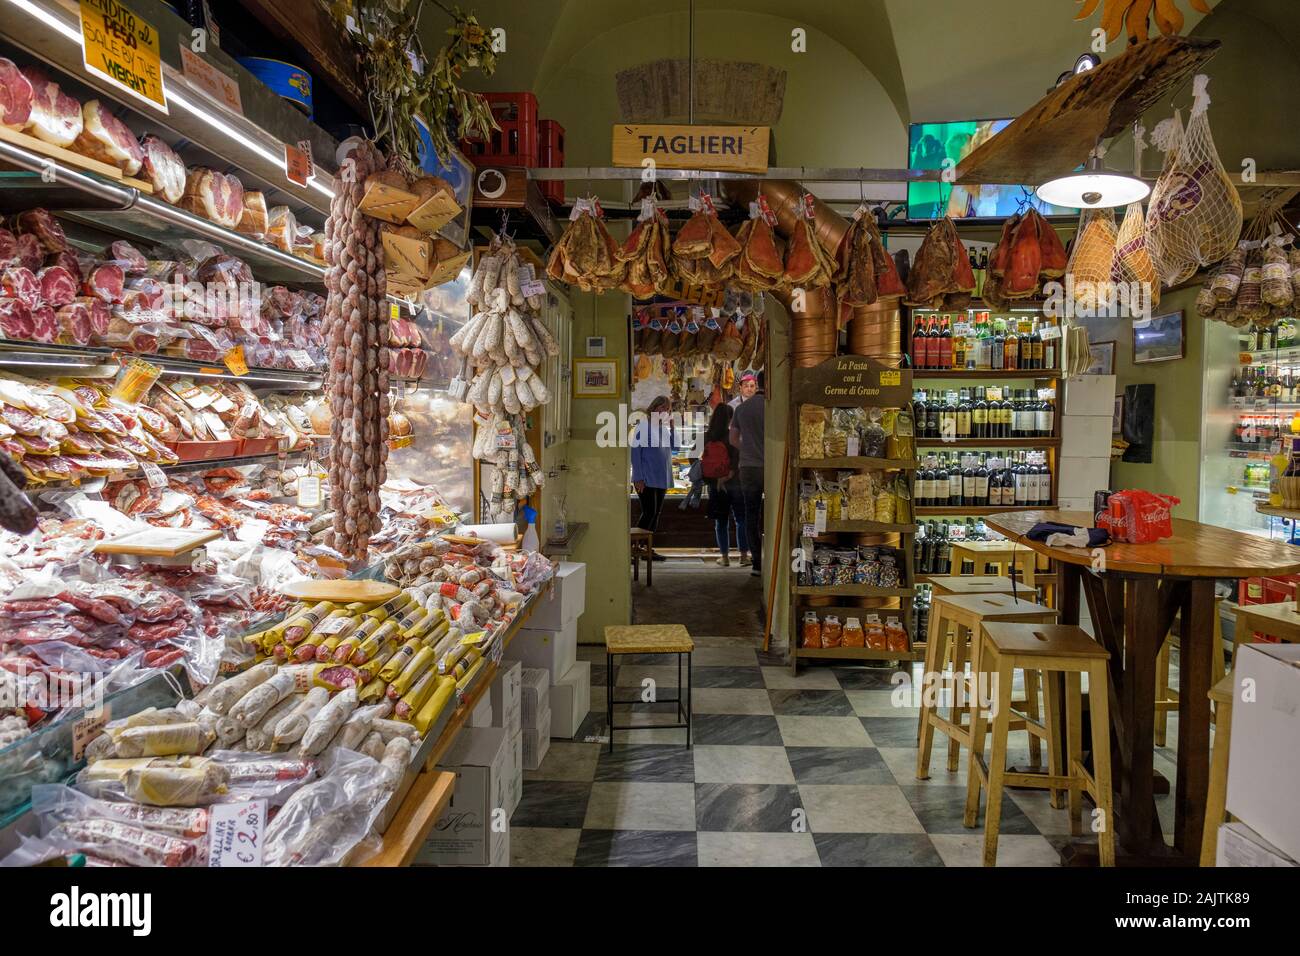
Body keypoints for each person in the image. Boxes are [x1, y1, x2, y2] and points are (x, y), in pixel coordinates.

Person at [699, 402, 749, 566]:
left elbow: (693, 457)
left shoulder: (707, 436)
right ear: (730, 418)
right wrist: (727, 476)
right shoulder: (732, 436)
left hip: (715, 485)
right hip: (735, 483)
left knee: (721, 521)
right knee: (741, 519)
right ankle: (743, 556)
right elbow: (737, 460)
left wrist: (711, 476)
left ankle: (725, 557)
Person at [730, 368, 765, 577]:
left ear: (757, 385)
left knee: (752, 514)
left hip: (749, 468)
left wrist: (748, 448)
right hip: (771, 465)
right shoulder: (773, 407)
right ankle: (776, 555)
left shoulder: (741, 410)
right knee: (775, 510)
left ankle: (757, 564)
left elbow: (733, 439)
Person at [631, 395, 673, 560]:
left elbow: (674, 447)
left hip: (661, 477)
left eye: (667, 409)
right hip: (647, 477)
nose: (664, 411)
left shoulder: (663, 428)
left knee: (656, 513)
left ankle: (647, 549)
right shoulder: (643, 426)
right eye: (662, 407)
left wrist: (673, 427)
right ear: (654, 408)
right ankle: (634, 549)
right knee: (649, 512)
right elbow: (635, 453)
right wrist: (638, 477)